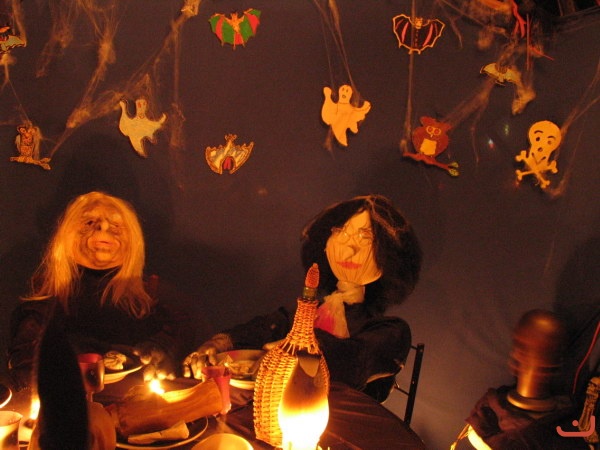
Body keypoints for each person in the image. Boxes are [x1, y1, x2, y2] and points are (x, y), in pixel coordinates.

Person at [183, 194, 422, 400]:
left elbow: (354, 359)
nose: (349, 248)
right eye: (341, 232)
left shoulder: (391, 332)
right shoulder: (312, 310)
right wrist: (219, 344)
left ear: (389, 256)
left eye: (365, 237)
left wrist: (298, 348)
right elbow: (268, 326)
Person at [7, 191, 181, 390]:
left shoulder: (149, 298)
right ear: (67, 236)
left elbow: (178, 337)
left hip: (135, 398)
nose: (104, 227)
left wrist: (162, 347)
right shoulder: (45, 302)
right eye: (89, 222)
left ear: (133, 241)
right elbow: (26, 365)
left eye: (116, 226)